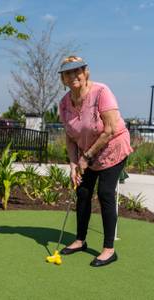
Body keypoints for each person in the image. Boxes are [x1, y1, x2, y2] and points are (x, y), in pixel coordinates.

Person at [58, 56, 132, 267]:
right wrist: (73, 164)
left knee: (105, 193)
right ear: (63, 78)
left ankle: (109, 249)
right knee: (82, 191)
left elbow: (109, 130)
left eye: (77, 71)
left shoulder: (101, 92)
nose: (73, 76)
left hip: (112, 147)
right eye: (68, 73)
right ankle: (80, 240)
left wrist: (86, 158)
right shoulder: (64, 104)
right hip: (86, 153)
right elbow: (70, 136)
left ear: (85, 72)